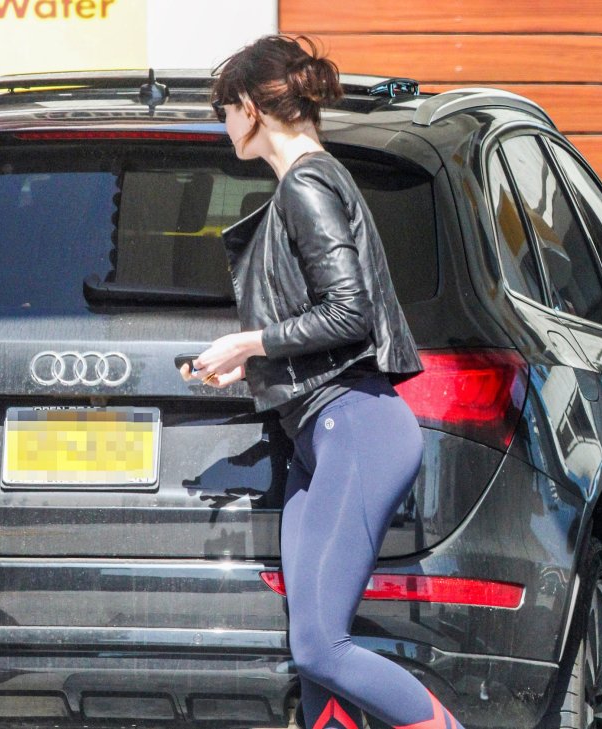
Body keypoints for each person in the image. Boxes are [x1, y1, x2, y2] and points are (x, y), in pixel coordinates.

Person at [187, 35, 462, 729]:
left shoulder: (306, 184)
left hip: (356, 426)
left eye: (224, 110)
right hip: (323, 430)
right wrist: (253, 361)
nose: (224, 124)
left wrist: (251, 341)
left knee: (321, 645)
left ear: (251, 108)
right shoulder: (310, 181)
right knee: (312, 650)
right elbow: (330, 319)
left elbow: (349, 311)